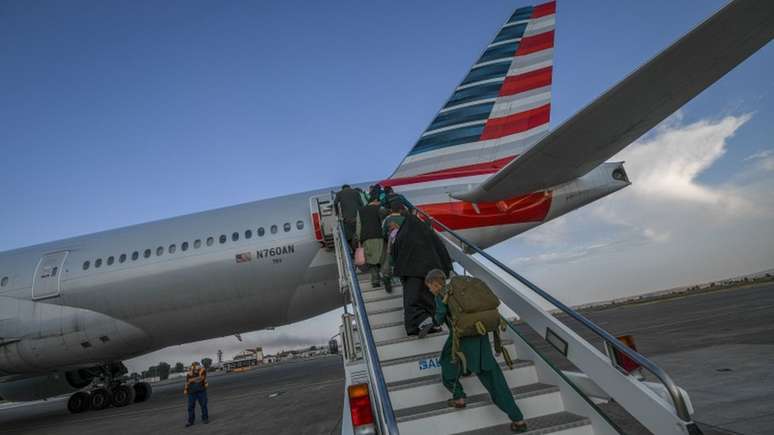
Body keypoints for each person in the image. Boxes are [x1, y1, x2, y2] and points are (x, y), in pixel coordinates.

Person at [426, 269, 528, 433]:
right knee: (495, 381)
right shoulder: (461, 290)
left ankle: (459, 397)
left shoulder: (440, 296)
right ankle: (518, 419)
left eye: (429, 286)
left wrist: (434, 319)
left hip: (460, 340)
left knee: (447, 363)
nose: (429, 289)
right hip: (480, 338)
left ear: (434, 284)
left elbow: (438, 319)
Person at [392, 214, 452, 336]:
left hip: (410, 272)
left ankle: (413, 326)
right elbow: (441, 249)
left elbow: (395, 252)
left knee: (412, 300)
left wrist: (400, 272)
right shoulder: (428, 233)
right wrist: (447, 269)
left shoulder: (402, 234)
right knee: (429, 299)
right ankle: (431, 323)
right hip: (429, 271)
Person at [356, 197, 388, 288]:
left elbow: (359, 226)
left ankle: (375, 281)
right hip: (379, 237)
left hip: (366, 239)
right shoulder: (380, 209)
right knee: (383, 258)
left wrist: (359, 239)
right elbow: (384, 223)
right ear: (375, 200)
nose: (380, 203)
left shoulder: (360, 210)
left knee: (371, 261)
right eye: (379, 201)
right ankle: (386, 277)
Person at [380, 203, 405, 292]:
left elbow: (383, 233)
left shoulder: (388, 219)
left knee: (389, 260)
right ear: (400, 210)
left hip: (392, 243)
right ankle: (403, 280)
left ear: (391, 210)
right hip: (404, 244)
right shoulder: (404, 218)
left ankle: (387, 277)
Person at [334, 184, 364, 253]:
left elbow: (335, 203)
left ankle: (354, 251)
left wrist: (337, 213)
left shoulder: (339, 193)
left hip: (347, 220)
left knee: (349, 237)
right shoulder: (356, 192)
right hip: (358, 218)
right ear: (349, 187)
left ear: (342, 188)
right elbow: (361, 204)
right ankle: (362, 250)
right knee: (360, 234)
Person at [184, 361, 209, 427]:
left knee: (203, 405)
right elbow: (187, 382)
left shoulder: (203, 370)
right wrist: (186, 389)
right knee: (190, 407)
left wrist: (192, 380)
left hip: (201, 391)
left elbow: (202, 378)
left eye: (197, 365)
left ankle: (205, 418)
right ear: (192, 366)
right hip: (191, 392)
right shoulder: (189, 373)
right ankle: (190, 421)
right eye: (195, 365)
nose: (196, 366)